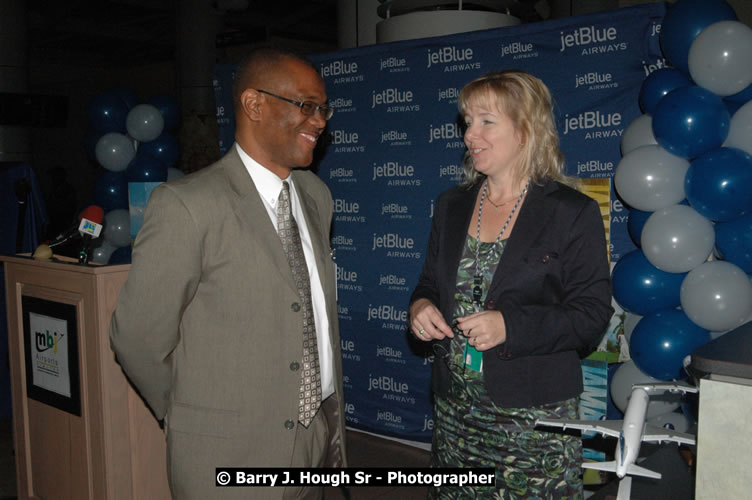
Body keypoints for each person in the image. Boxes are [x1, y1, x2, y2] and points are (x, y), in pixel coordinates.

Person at [110, 47, 346, 500]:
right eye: (306, 105)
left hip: (314, 441)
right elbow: (137, 337)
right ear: (254, 105)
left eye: (323, 109)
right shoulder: (187, 206)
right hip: (228, 455)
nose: (319, 121)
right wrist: (190, 415)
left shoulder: (316, 195)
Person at [409, 70, 613, 498]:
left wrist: (510, 327)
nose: (470, 134)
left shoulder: (571, 212)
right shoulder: (451, 204)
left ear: (525, 129)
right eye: (467, 121)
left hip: (533, 417)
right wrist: (420, 308)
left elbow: (591, 316)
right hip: (455, 413)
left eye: (486, 121)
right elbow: (428, 282)